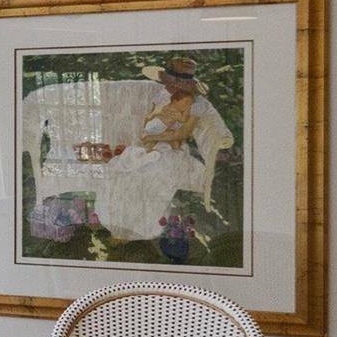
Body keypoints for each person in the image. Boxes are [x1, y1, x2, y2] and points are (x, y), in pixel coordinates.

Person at [89, 57, 232, 246]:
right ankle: (118, 226)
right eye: (170, 82)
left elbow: (188, 131)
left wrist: (220, 142)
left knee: (154, 174)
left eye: (178, 82)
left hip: (170, 149)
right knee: (123, 172)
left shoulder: (197, 104)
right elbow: (150, 121)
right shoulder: (158, 94)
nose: (172, 86)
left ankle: (138, 231)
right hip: (146, 143)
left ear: (188, 83)